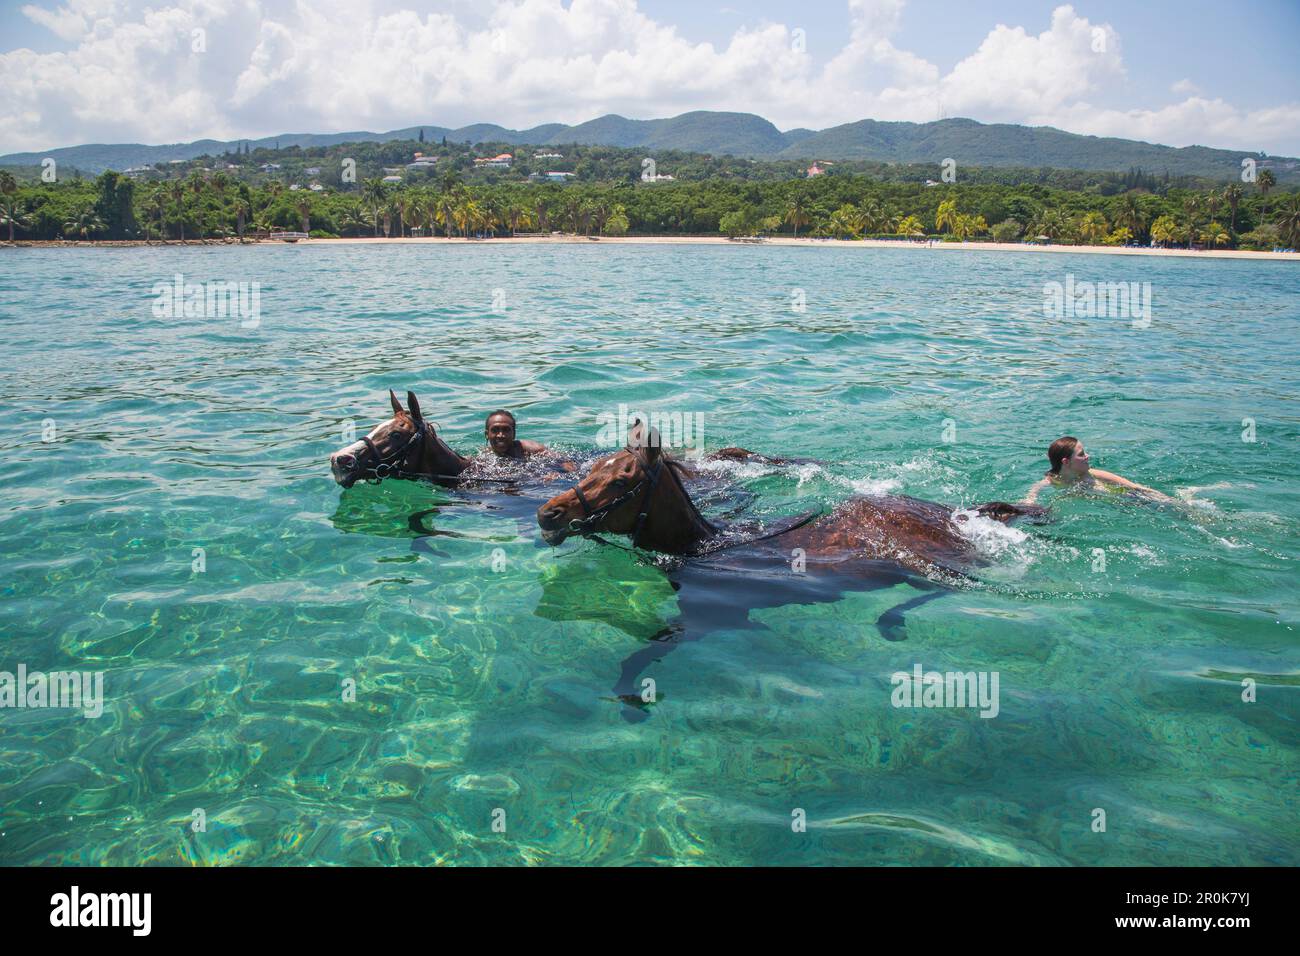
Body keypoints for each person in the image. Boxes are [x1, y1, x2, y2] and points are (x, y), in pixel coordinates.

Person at [1022, 436, 1172, 504]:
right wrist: (1031, 500)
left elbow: (1134, 487)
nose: (1087, 456)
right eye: (1081, 455)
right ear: (1066, 462)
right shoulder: (1053, 480)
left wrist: (1170, 501)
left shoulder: (1092, 474)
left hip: (1131, 500)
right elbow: (1035, 490)